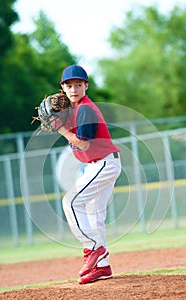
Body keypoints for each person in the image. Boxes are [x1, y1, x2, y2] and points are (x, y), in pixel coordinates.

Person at [57, 64, 121, 284]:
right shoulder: (75, 110)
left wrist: (60, 129)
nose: (73, 89)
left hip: (103, 164)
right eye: (69, 85)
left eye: (78, 84)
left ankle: (94, 249)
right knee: (94, 214)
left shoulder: (85, 109)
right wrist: (62, 122)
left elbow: (83, 145)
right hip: (100, 164)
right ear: (63, 88)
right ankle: (102, 267)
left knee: (71, 202)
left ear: (86, 86)